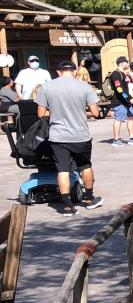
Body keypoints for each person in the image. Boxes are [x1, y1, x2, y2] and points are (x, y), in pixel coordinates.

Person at [35, 61, 102, 215]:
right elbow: (96, 113)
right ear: (75, 71)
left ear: (58, 72)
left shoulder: (47, 87)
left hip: (58, 136)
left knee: (63, 170)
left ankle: (67, 205)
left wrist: (57, 113)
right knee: (85, 165)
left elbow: (40, 114)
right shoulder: (85, 86)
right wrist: (80, 112)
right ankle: (89, 199)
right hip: (80, 135)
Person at [106, 57, 133, 146]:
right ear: (121, 63)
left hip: (126, 100)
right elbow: (119, 89)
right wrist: (128, 98)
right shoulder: (116, 74)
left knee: (131, 117)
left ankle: (132, 138)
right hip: (119, 101)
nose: (128, 63)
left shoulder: (122, 73)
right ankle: (116, 139)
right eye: (126, 62)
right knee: (119, 119)